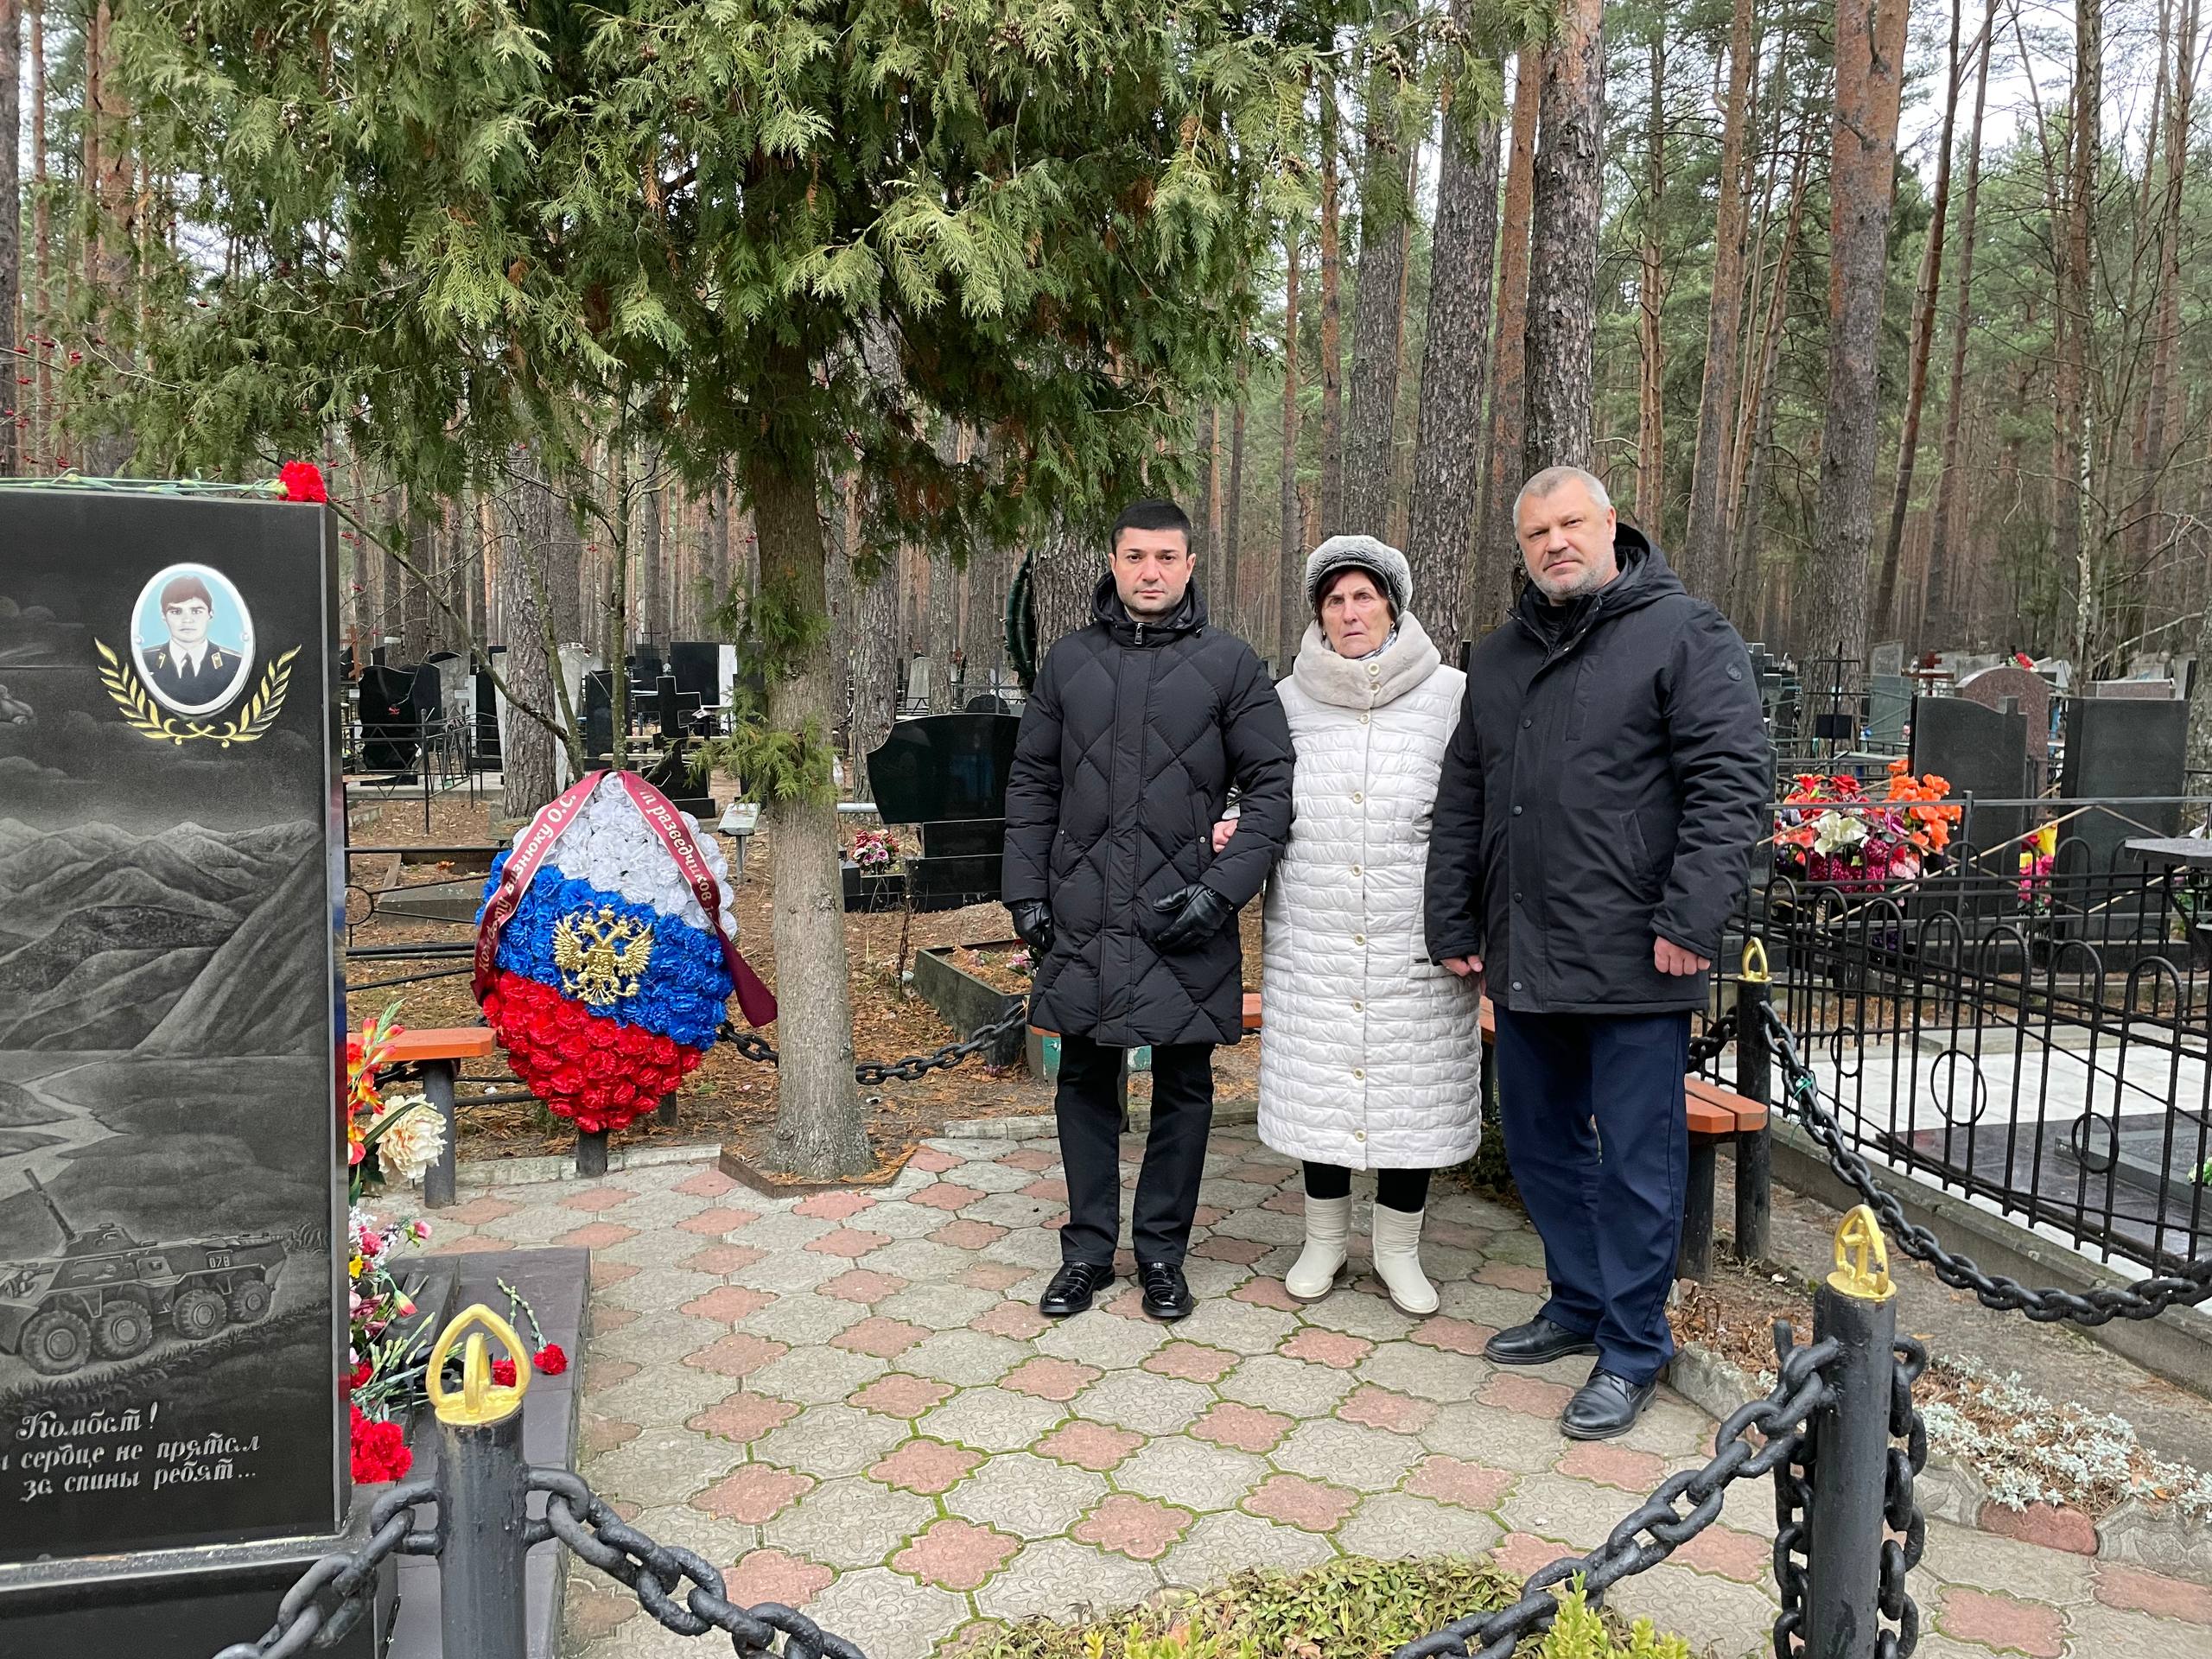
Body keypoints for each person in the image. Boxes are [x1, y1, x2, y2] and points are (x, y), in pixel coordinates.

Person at [1424, 466, 1767, 1440]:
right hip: (1525, 950)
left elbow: (1729, 784)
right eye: (1537, 533)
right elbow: (1465, 798)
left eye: (1571, 524)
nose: (1555, 544)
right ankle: (1577, 1299)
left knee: (1636, 1165)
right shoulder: (1497, 658)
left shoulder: (1683, 634)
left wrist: (1688, 921)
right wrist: (1453, 921)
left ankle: (1633, 1344)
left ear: (1610, 524)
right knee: (1539, 1145)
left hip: (1636, 956)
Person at [1002, 499, 1294, 1321]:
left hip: (1182, 911)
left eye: (1167, 557)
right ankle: (1088, 1253)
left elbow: (1274, 788)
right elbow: (1032, 782)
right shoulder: (1070, 662)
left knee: (1184, 1084)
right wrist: (1026, 891)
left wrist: (1222, 889)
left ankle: (1162, 1253)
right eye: (1135, 557)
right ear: (1114, 562)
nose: (1151, 572)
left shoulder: (1230, 665)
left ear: (1190, 565)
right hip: (1086, 908)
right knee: (1084, 1077)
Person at [1227, 536, 1482, 1315]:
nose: (1349, 612)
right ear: (1319, 615)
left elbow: (1475, 814)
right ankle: (1324, 1242)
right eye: (1334, 600)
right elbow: (1261, 796)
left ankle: (1399, 1252)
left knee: (1411, 1094)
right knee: (1323, 1091)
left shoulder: (1452, 696)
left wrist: (1469, 919)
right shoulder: (1286, 701)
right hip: (1316, 930)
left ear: (1392, 607)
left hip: (1414, 933)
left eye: (1363, 596)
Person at [144, 575, 242, 706]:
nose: (187, 620)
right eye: (176, 612)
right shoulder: (144, 662)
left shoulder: (235, 665)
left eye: (196, 611)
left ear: (210, 613)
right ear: (164, 616)